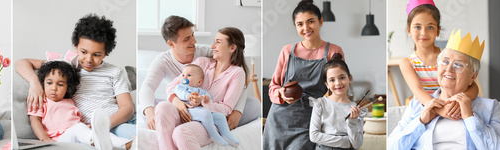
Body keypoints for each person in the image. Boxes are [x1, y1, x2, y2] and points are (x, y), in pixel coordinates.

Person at [16, 13, 135, 141]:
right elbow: (20, 63)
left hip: (114, 124)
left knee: (133, 134)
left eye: (96, 54)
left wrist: (103, 125)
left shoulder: (115, 72)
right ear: (76, 46)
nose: (88, 59)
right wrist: (35, 83)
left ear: (106, 53)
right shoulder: (64, 67)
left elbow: (127, 108)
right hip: (83, 130)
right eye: (83, 52)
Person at [388, 30, 500, 150]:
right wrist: (420, 122)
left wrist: (470, 118)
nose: (449, 69)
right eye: (445, 62)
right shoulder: (417, 105)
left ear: (473, 76)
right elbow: (391, 147)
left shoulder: (490, 107)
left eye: (459, 65)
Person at [148, 27, 251, 149]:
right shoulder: (202, 62)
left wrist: (202, 102)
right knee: (162, 106)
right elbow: (172, 86)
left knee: (181, 133)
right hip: (187, 112)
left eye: (218, 42)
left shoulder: (237, 73)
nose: (212, 46)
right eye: (214, 41)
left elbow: (227, 108)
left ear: (232, 48)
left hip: (209, 120)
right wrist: (178, 102)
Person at [263, 0, 345, 149]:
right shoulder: (287, 51)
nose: (306, 28)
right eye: (300, 24)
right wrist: (281, 93)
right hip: (279, 119)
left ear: (320, 21)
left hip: (312, 118)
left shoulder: (334, 51)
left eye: (311, 21)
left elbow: (338, 89)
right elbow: (273, 87)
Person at [398, 0, 479, 120]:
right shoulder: (407, 63)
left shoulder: (449, 57)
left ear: (438, 31)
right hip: (426, 111)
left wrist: (459, 102)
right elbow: (418, 91)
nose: (423, 33)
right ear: (409, 30)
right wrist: (440, 110)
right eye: (417, 27)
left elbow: (474, 87)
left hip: (453, 109)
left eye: (430, 27)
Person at [27, 61, 132, 149]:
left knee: (99, 131)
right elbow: (34, 120)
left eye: (60, 84)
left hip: (78, 136)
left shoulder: (70, 101)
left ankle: (126, 144)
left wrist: (86, 128)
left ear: (68, 87)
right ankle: (96, 138)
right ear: (43, 83)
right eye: (49, 83)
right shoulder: (42, 101)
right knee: (80, 129)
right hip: (58, 140)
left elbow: (75, 120)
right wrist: (43, 137)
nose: (54, 88)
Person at [309, 54, 365, 150]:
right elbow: (314, 136)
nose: (338, 83)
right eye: (332, 80)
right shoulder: (320, 104)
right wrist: (346, 142)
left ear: (349, 78)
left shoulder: (356, 109)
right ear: (327, 84)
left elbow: (357, 144)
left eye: (342, 78)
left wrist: (352, 121)